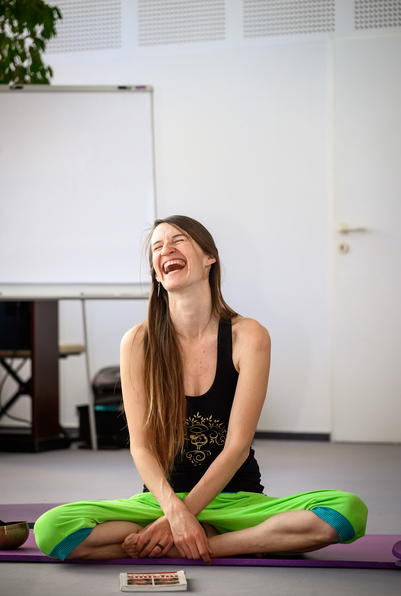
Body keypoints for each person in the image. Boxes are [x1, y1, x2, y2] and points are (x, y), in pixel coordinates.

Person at [34, 215, 368, 563]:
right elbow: (141, 447)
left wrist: (177, 523)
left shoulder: (248, 336)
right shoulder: (137, 342)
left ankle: (199, 544)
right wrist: (174, 514)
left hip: (236, 500)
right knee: (52, 528)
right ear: (156, 273)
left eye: (178, 240)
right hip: (160, 502)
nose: (166, 250)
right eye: (157, 247)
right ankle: (228, 540)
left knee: (347, 510)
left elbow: (237, 448)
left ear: (210, 257)